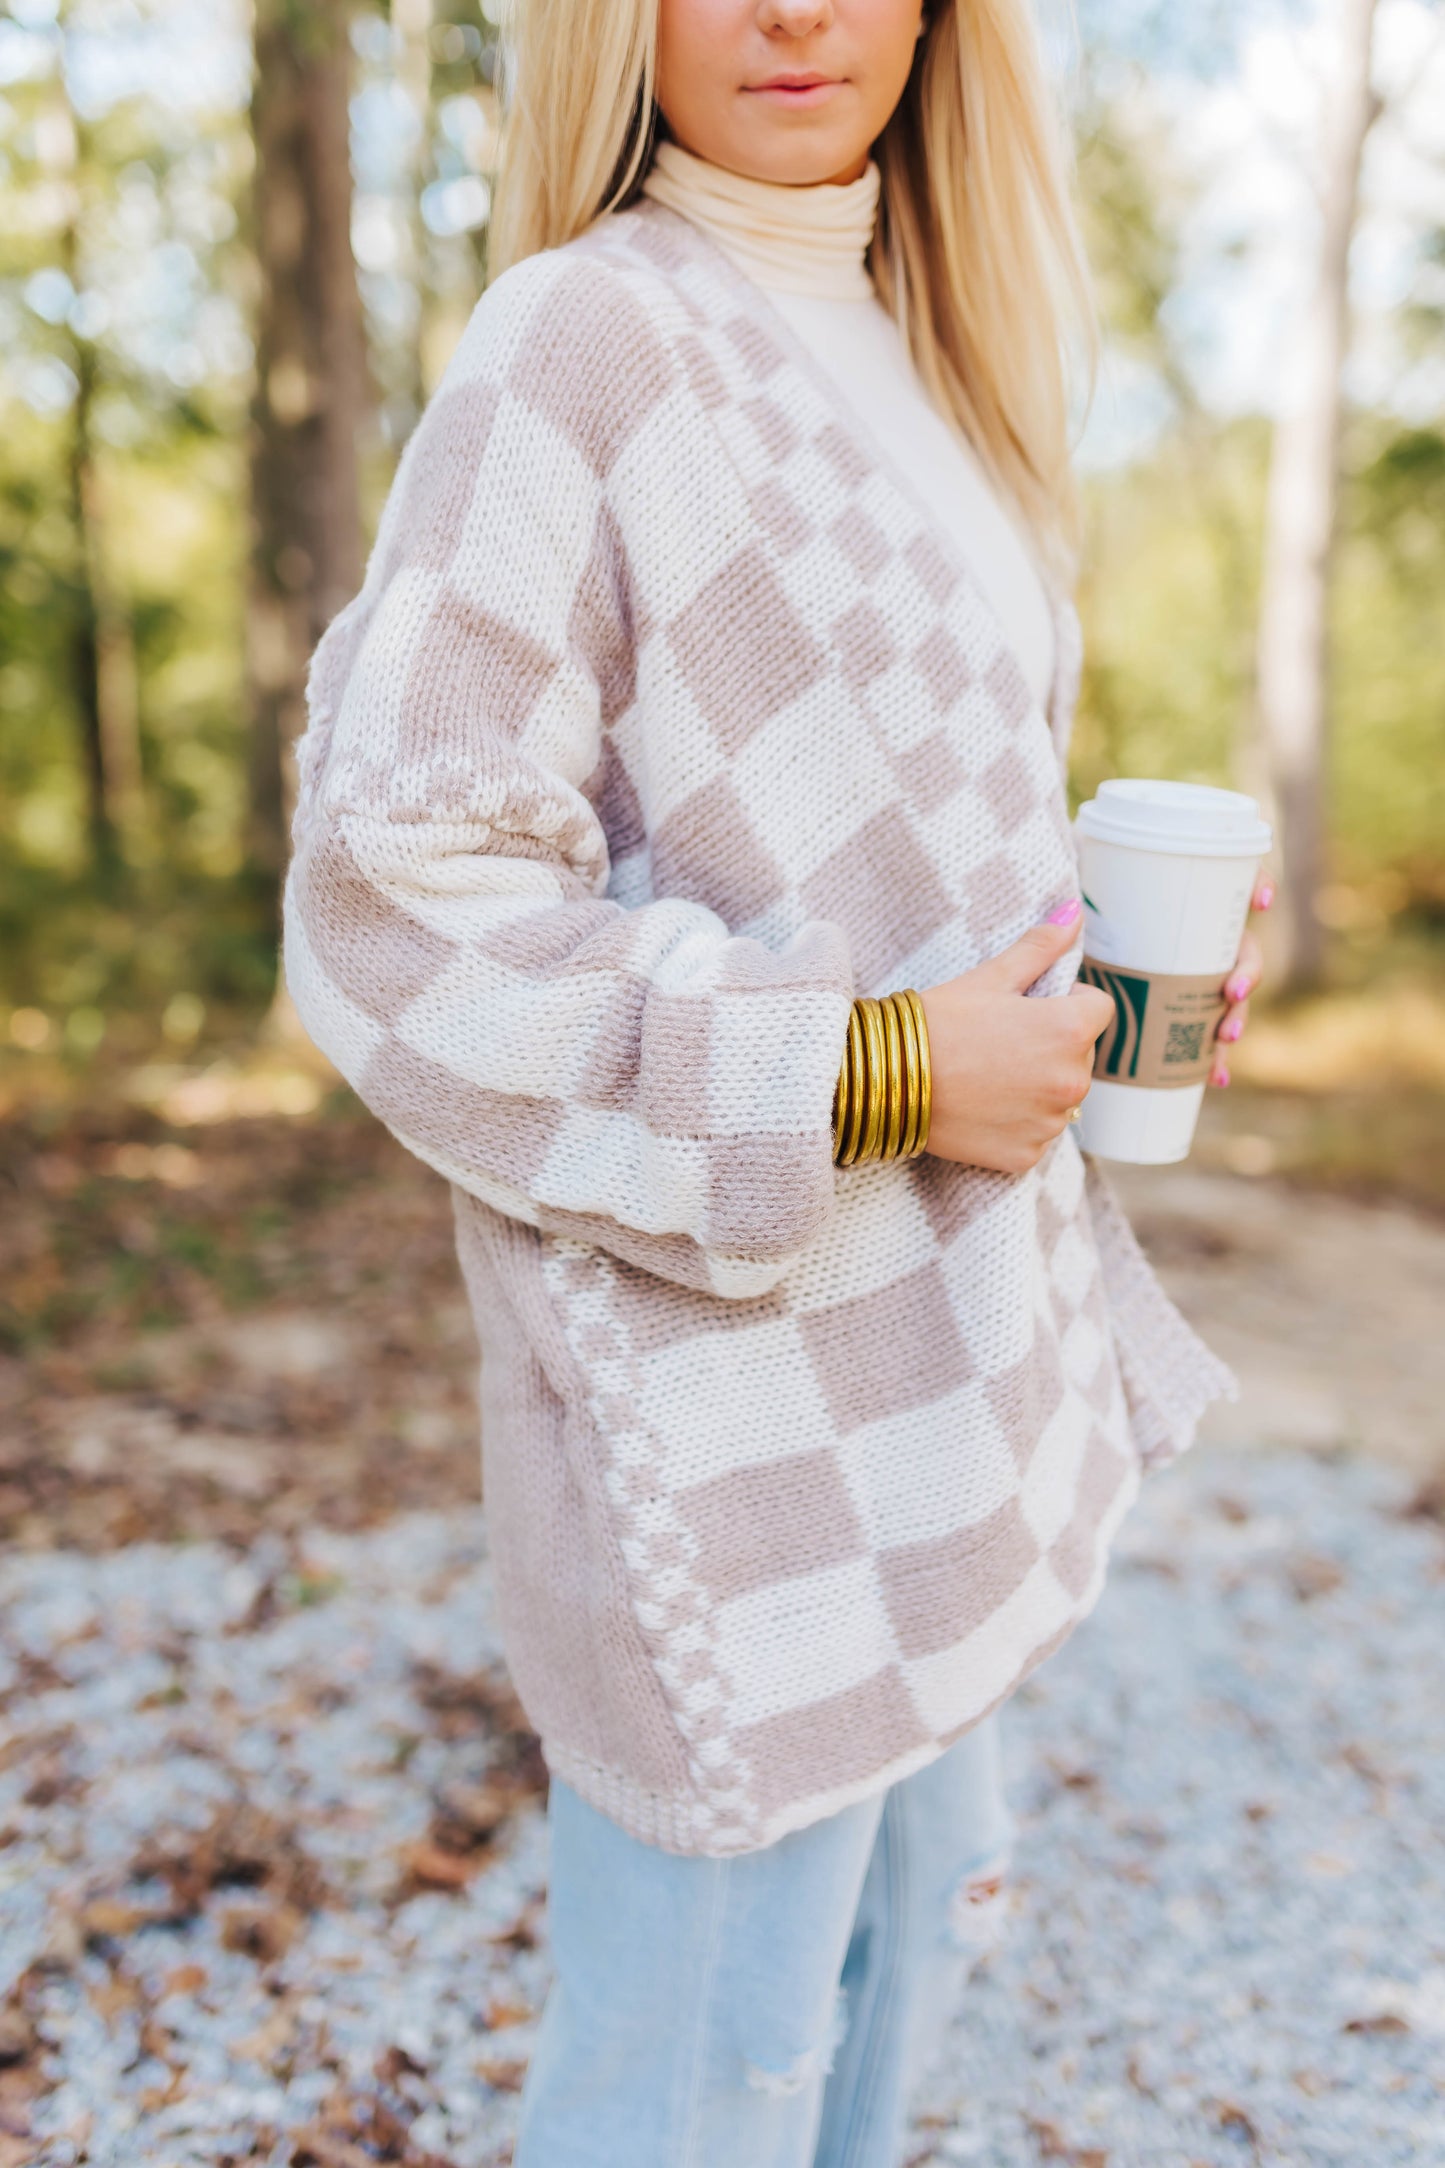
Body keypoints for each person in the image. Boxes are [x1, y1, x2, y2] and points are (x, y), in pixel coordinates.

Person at [284, 3, 1273, 2161]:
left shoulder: (947, 359)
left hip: (947, 1401)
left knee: (873, 2029)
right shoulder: (583, 345)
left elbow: (887, 844)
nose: (798, 12)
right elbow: (395, 908)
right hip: (722, 1441)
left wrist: (1115, 973)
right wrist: (889, 1068)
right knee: (693, 2096)